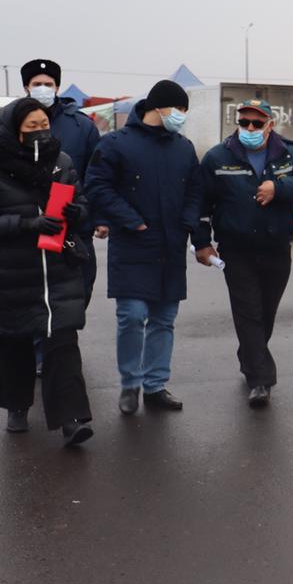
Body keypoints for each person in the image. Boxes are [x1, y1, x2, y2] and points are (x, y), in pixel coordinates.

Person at [0, 98, 94, 446]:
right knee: (12, 342)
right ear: (12, 131)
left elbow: (83, 207)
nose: (40, 133)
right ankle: (17, 406)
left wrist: (74, 212)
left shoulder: (62, 163)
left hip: (56, 272)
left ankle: (71, 419)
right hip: (8, 272)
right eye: (31, 127)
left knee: (63, 342)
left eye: (44, 126)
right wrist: (28, 224)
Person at [193, 100, 293, 407]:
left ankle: (249, 356)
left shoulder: (288, 153)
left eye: (256, 123)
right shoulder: (217, 157)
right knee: (248, 312)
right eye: (244, 122)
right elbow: (200, 203)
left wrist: (280, 189)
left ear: (270, 125)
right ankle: (260, 380)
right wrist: (201, 242)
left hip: (277, 248)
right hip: (237, 250)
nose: (249, 128)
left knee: (265, 313)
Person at [85, 80, 202, 415]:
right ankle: (130, 383)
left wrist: (188, 223)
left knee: (164, 319)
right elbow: (96, 185)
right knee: (132, 317)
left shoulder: (182, 147)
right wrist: (130, 219)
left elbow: (195, 190)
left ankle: (155, 385)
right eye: (179, 110)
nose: (181, 116)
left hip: (171, 245)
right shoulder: (116, 144)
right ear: (158, 107)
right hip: (133, 244)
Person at [0, 59, 103, 374]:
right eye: (37, 83)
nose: (43, 89)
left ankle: (57, 341)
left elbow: (98, 174)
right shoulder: (6, 122)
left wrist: (91, 215)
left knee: (77, 291)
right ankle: (42, 353)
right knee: (32, 293)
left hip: (72, 231)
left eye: (49, 83)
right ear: (26, 87)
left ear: (58, 87)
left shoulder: (82, 126)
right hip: (26, 232)